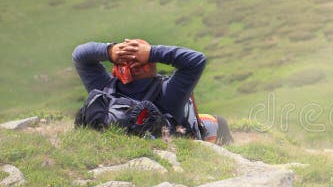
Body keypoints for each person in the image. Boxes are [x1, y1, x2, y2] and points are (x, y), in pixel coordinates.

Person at [72, 39, 233, 145]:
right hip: (171, 138)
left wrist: (109, 51)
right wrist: (151, 52)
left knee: (213, 122)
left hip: (109, 146)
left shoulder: (104, 88)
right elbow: (196, 60)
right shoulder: (169, 93)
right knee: (216, 122)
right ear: (151, 65)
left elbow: (80, 55)